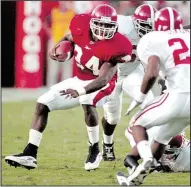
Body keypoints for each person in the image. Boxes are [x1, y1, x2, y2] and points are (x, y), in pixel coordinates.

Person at [5, 4, 133, 171]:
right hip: (78, 79)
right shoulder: (81, 27)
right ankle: (30, 153)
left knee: (87, 100)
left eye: (108, 26)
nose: (103, 30)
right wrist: (56, 48)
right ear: (92, 23)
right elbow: (69, 37)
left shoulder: (117, 46)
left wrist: (79, 92)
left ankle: (94, 150)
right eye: (100, 25)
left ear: (115, 27)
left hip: (105, 85)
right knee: (43, 102)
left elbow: (104, 78)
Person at [116, 7, 190, 186]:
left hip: (177, 95)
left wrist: (140, 97)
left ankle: (147, 158)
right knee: (162, 138)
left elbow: (151, 73)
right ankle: (139, 174)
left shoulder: (153, 39)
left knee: (136, 124)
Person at [101, 3, 161, 161]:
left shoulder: (156, 34)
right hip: (111, 72)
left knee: (149, 104)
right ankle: (107, 144)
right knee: (113, 117)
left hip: (132, 71)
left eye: (152, 27)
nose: (148, 30)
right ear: (135, 21)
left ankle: (150, 149)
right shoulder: (122, 24)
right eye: (145, 26)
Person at [43, 1, 75, 86]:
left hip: (68, 43)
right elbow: (45, 23)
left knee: (67, 69)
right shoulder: (54, 12)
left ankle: (66, 90)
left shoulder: (73, 13)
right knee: (53, 69)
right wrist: (50, 34)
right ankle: (50, 89)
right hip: (55, 42)